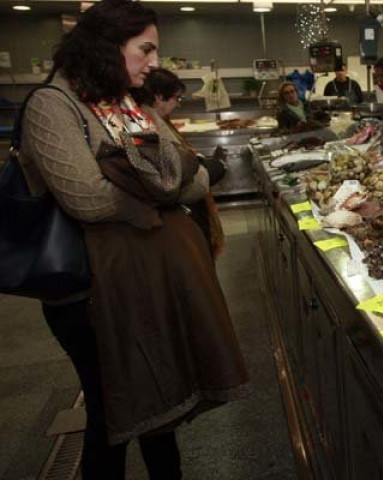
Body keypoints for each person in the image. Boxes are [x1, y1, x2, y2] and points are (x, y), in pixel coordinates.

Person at [17, 1, 248, 478]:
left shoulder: (129, 104)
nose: (154, 61)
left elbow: (198, 178)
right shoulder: (52, 106)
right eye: (145, 49)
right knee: (111, 407)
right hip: (91, 293)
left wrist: (161, 185)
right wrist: (164, 194)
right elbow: (88, 198)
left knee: (163, 402)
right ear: (106, 46)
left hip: (149, 278)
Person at [132, 68, 227, 259]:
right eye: (176, 98)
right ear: (158, 97)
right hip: (180, 219)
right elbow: (176, 177)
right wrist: (212, 170)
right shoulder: (147, 125)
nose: (177, 104)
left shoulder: (158, 121)